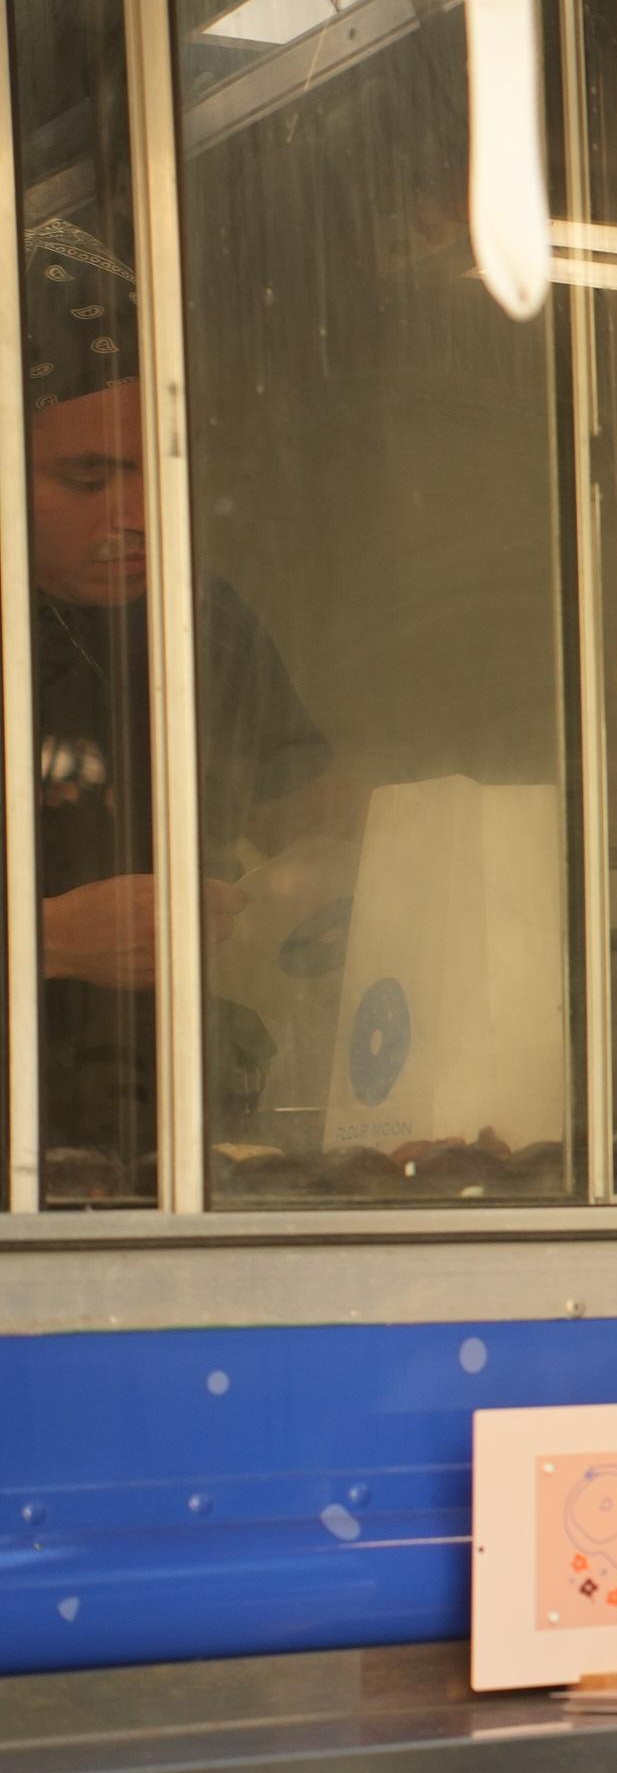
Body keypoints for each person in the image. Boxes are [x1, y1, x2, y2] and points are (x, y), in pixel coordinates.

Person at [19, 216, 329, 1196]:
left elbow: (314, 806)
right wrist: (50, 937)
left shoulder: (202, 620)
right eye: (86, 478)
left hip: (172, 1136)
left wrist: (338, 869)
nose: (136, 517)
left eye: (158, 469)